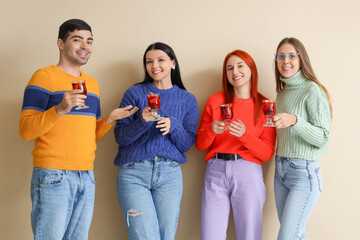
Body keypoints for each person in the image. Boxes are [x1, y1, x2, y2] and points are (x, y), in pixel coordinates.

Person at [19, 19, 138, 239]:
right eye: (77, 39)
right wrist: (61, 109)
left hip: (86, 175)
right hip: (54, 175)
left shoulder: (92, 85)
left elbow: (89, 135)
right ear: (61, 44)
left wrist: (109, 120)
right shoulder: (44, 77)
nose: (85, 46)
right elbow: (25, 130)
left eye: (89, 41)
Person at [114, 42, 198, 240]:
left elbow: (186, 145)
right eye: (149, 61)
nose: (154, 66)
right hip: (134, 174)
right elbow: (120, 137)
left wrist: (173, 125)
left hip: (170, 175)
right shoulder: (134, 94)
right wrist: (142, 121)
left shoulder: (187, 100)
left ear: (173, 63)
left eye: (160, 60)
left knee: (166, 236)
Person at [196, 50, 276, 240]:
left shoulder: (266, 106)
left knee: (250, 235)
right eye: (229, 68)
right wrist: (211, 130)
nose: (235, 71)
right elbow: (199, 145)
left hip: (248, 173)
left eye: (240, 66)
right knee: (210, 236)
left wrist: (245, 136)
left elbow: (267, 153)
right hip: (215, 171)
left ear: (251, 70)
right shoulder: (216, 101)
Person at [272, 37, 332, 240]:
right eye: (280, 56)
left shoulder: (312, 90)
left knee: (287, 237)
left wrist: (295, 120)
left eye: (291, 56)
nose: (285, 61)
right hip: (280, 171)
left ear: (301, 59)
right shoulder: (281, 94)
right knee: (297, 235)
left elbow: (323, 137)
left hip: (303, 174)